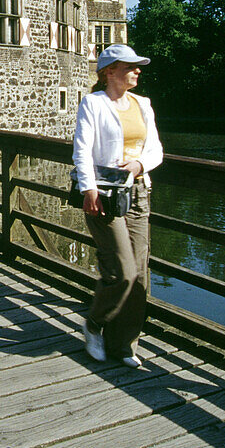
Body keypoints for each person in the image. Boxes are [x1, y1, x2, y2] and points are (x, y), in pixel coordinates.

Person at [73, 44, 163, 369]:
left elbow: (156, 150)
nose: (137, 71)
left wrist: (139, 165)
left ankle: (124, 344)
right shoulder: (93, 103)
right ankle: (95, 323)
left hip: (138, 192)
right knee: (123, 271)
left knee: (139, 275)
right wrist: (89, 188)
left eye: (138, 67)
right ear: (110, 71)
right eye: (130, 66)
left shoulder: (143, 104)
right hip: (104, 195)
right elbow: (81, 150)